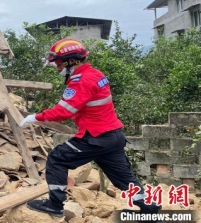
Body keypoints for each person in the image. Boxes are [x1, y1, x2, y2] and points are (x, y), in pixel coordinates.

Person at [19, 38, 161, 217]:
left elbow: (64, 111)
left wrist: (35, 117)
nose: (58, 68)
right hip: (113, 136)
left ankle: (55, 205)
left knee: (57, 158)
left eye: (59, 64)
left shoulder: (81, 81)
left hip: (95, 137)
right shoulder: (96, 74)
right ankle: (149, 208)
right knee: (123, 178)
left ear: (71, 61)